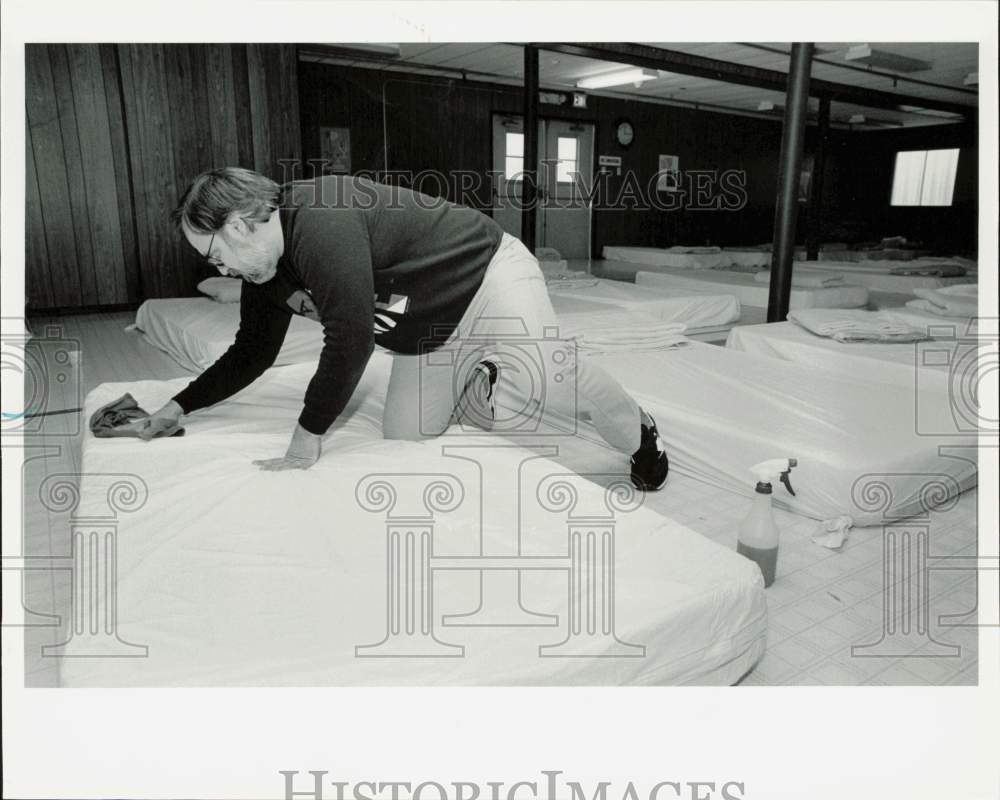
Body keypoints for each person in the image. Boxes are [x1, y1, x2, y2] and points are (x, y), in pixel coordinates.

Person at [142, 167, 668, 490]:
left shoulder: (322, 215)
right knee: (404, 437)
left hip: (486, 275)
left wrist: (305, 439)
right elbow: (250, 353)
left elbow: (350, 339)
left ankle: (639, 430)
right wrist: (178, 406)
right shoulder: (264, 271)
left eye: (215, 257)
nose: (222, 272)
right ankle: (477, 378)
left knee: (547, 381)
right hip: (429, 327)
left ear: (236, 225)